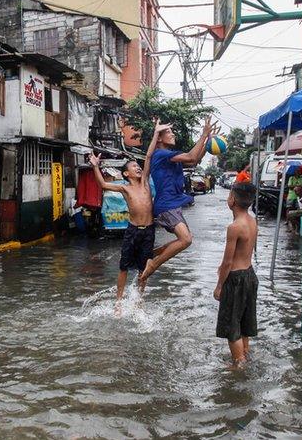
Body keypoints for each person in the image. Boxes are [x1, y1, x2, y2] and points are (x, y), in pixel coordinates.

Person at [90, 120, 169, 304]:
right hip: (132, 231)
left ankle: (138, 300)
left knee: (144, 268)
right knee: (123, 267)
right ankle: (118, 301)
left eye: (138, 166)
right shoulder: (125, 189)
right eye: (134, 167)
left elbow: (148, 157)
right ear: (126, 174)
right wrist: (95, 166)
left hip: (148, 231)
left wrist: (156, 133)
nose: (138, 167)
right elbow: (103, 185)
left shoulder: (145, 185)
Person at [139, 117, 219, 285]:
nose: (173, 133)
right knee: (186, 239)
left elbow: (194, 159)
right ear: (159, 139)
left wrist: (207, 143)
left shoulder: (169, 156)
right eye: (169, 131)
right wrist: (204, 135)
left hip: (172, 204)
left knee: (186, 239)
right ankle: (153, 264)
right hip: (166, 205)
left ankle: (155, 253)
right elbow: (191, 156)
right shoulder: (161, 154)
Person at [214, 182, 259, 365]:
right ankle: (245, 354)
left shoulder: (234, 227)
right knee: (245, 322)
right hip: (250, 275)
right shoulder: (252, 220)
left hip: (236, 279)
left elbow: (228, 262)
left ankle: (238, 365)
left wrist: (219, 286)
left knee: (232, 324)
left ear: (232, 199)